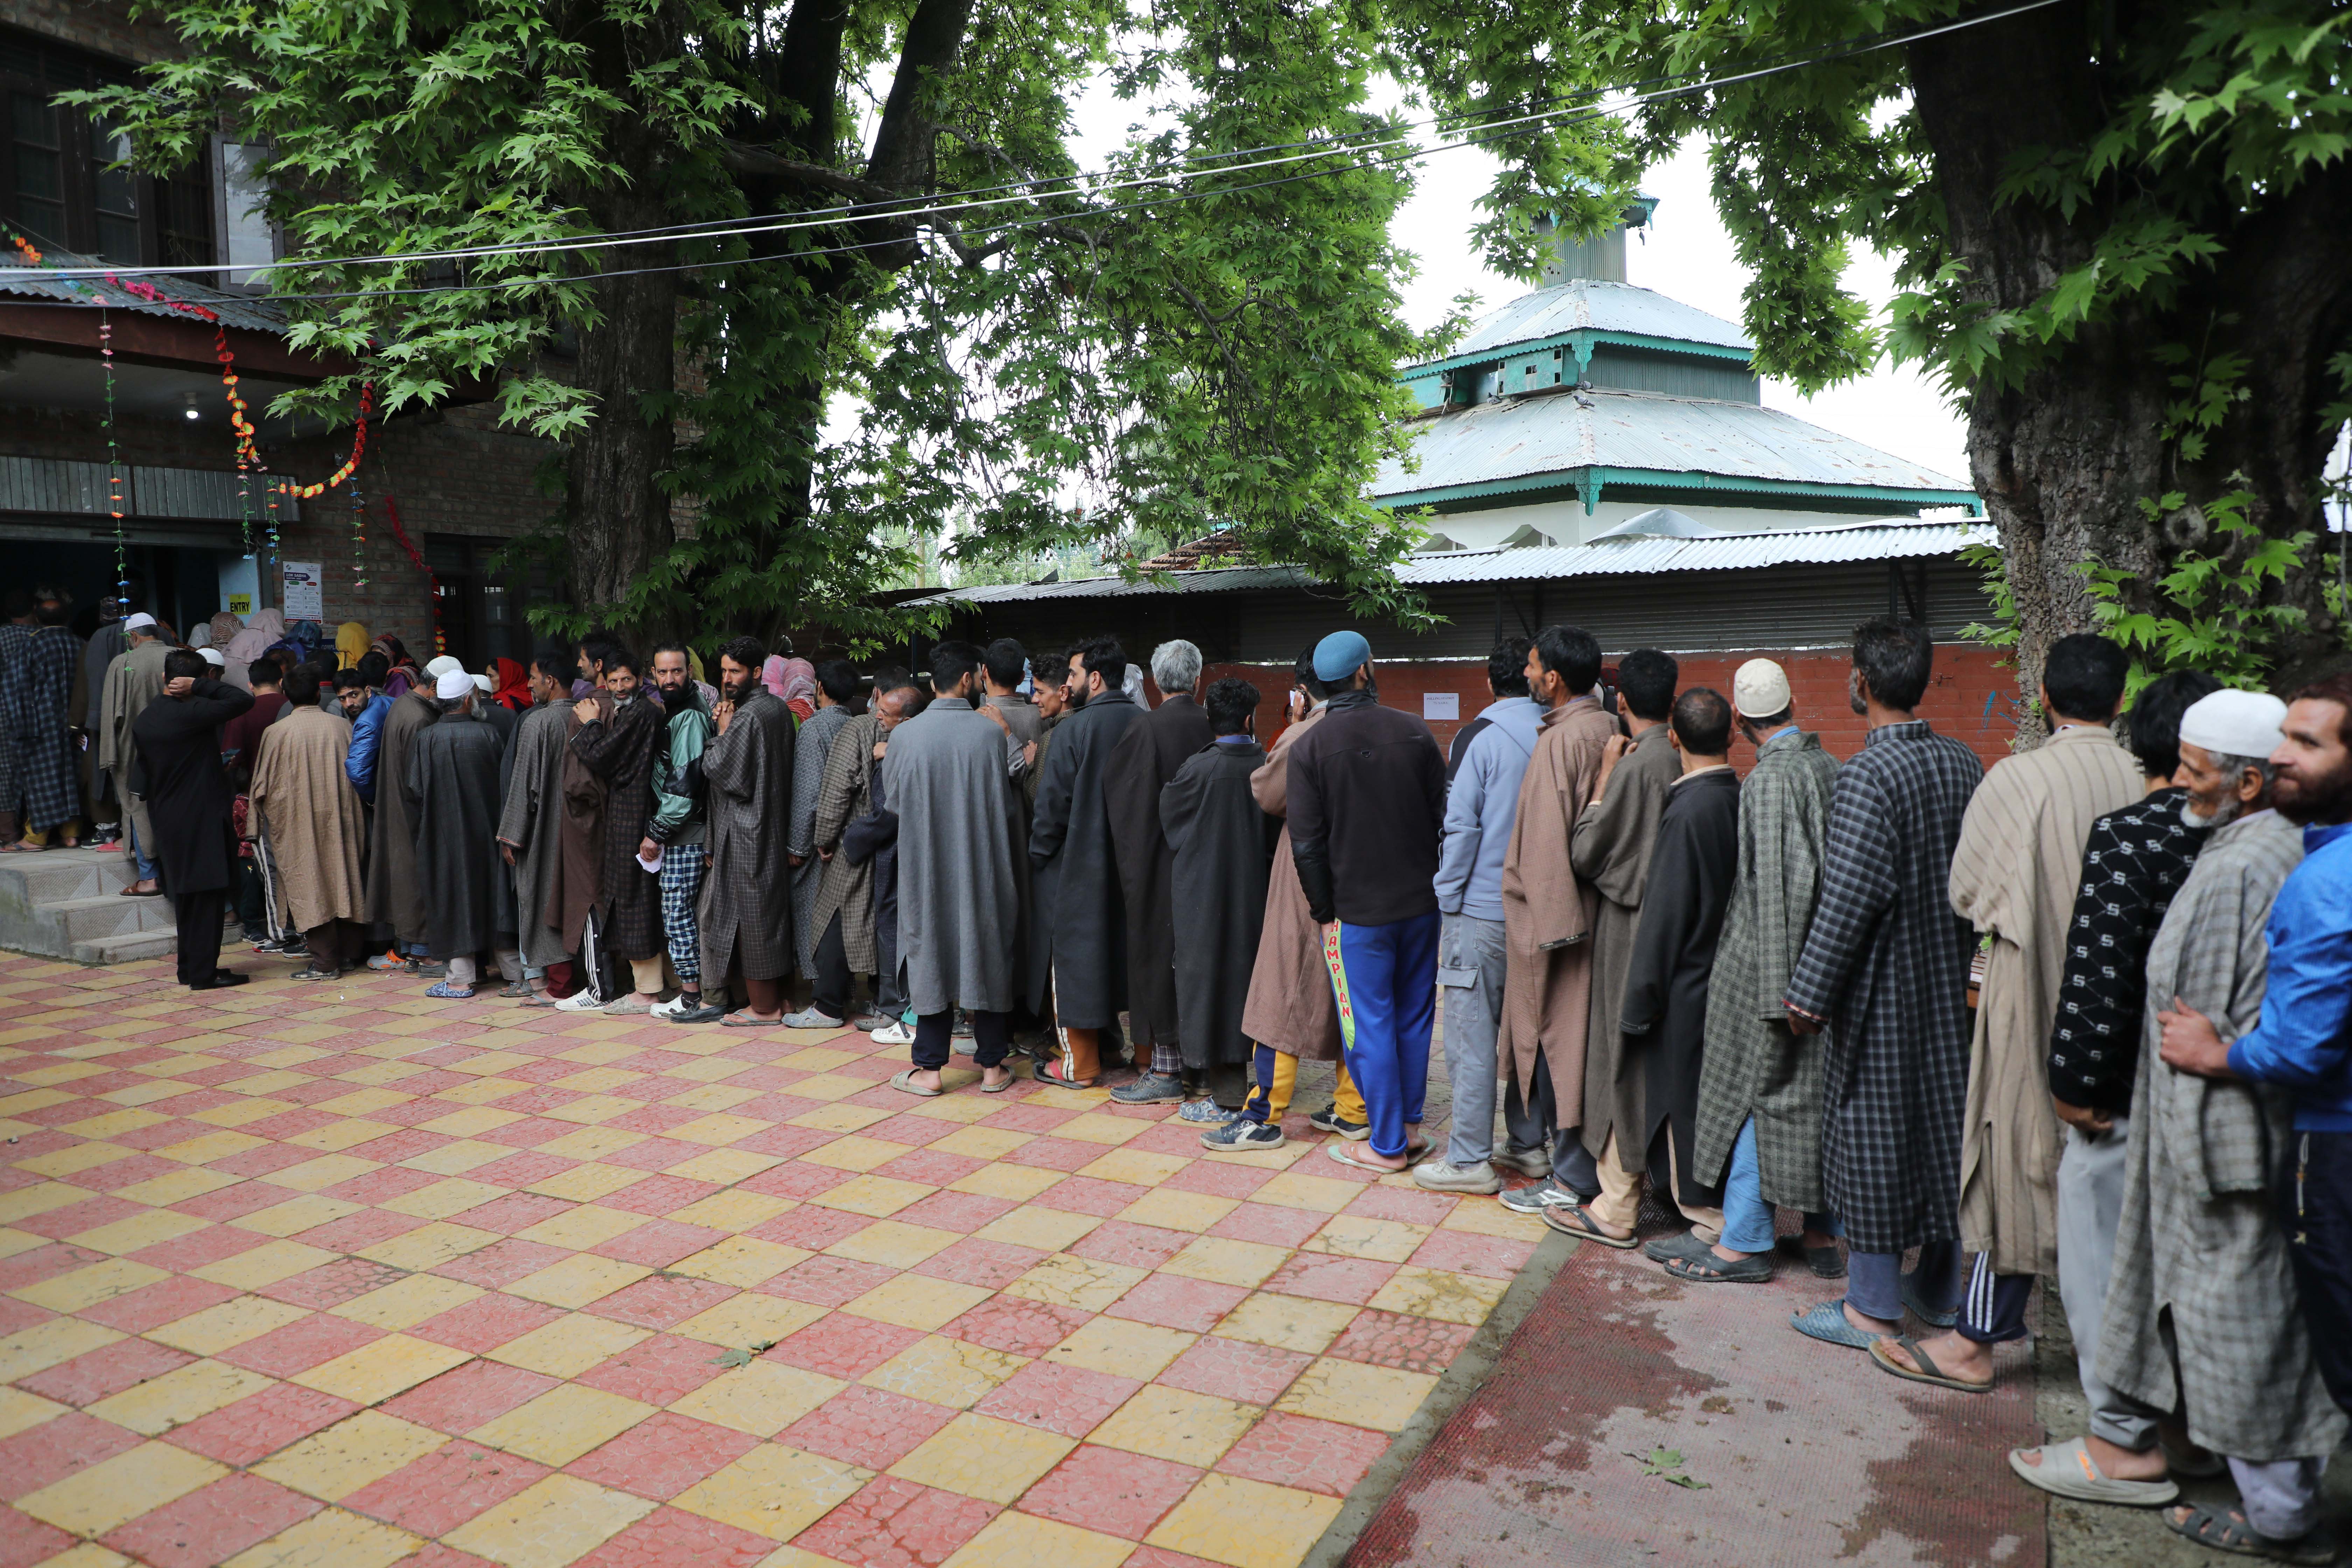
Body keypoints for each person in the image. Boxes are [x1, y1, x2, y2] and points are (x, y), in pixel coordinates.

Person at [2077, 689, 2344, 1558]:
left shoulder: (2245, 866)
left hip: (2221, 1147)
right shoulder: (2249, 844)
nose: (2179, 787)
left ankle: (2280, 1517)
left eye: (2195, 775)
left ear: (2250, 783)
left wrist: (2196, 1153)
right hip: (2216, 1137)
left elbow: (2217, 1027)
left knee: (2244, 1326)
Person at [1870, 634, 2144, 1386]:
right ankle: (2119, 1357)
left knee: (2011, 1164)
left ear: (2045, 698)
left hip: (2032, 995)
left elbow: (1970, 893)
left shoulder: (2018, 777)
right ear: (2120, 700)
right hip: (2130, 1014)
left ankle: (1974, 1342)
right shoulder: (2147, 777)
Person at [2003, 670, 2220, 1493]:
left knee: (2104, 1265)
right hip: (2227, 1095)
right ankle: (2198, 1428)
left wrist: (2073, 1087)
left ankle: (2123, 1439)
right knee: (2204, 1268)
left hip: (2127, 1098)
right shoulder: (2262, 838)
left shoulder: (2135, 835)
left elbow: (2100, 980)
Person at [2154, 675, 2352, 1555]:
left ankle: (2287, 1520)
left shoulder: (2304, 876)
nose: (2284, 755)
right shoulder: (2307, 851)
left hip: (2318, 1144)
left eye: (2308, 744)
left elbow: (2302, 1046)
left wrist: (2216, 1054)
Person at [1784, 618, 1982, 1351]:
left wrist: (1807, 997)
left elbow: (1849, 899)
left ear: (1860, 683)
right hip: (1949, 979)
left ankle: (1869, 1307)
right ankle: (1937, 1290)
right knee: (1942, 1134)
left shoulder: (1869, 773)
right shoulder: (1964, 761)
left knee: (1871, 1138)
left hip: (1885, 991)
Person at [1688, 659, 1843, 1281]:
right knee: (1816, 1097)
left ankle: (1747, 1238)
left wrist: (1782, 997)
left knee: (1762, 1095)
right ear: (1792, 700)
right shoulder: (1826, 764)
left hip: (1778, 975)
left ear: (1741, 719)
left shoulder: (1770, 781)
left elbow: (1778, 892)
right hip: (1825, 966)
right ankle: (1822, 1232)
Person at [1286, 630, 1447, 1172]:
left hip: (1355, 916)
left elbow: (1306, 846)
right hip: (1421, 907)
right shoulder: (1416, 733)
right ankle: (1407, 1128)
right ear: (1365, 671)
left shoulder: (1308, 746)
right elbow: (1439, 821)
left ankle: (1385, 1146)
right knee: (1415, 1018)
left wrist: (1323, 912)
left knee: (1367, 1024)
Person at [1604, 688, 1740, 1266]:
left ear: (1676, 740)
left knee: (1680, 1103)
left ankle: (1705, 1217)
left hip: (1684, 985)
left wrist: (1638, 1002)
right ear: (1732, 735)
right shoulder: (1739, 797)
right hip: (1724, 978)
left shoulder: (1686, 811)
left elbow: (1662, 918)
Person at [1555, 647, 1685, 1230]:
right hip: (1678, 933)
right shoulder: (1685, 759)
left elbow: (1586, 853)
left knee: (1618, 1058)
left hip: (1627, 931)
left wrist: (1603, 780)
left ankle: (1617, 1202)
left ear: (1623, 701)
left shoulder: (1634, 766)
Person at [1496, 626, 1618, 1197]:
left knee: (1553, 1041)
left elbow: (1546, 847)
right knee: (1565, 1043)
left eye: (1533, 667)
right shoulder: (1605, 727)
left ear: (1556, 679)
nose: (1525, 675)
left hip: (1555, 923)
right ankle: (1549, 1155)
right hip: (1588, 913)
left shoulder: (1561, 741)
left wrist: (1551, 935)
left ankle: (1567, 1177)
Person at [1418, 638, 1542, 1191]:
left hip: (1481, 910)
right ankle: (1529, 1145)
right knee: (1531, 1036)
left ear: (1491, 683)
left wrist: (1445, 894)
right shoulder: (1560, 732)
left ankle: (1468, 1160)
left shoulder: (1479, 736)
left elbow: (1459, 827)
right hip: (1544, 913)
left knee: (1471, 1038)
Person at [1232, 650, 1360, 1142]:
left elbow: (1267, 793)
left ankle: (1264, 1114)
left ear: (1304, 690)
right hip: (1369, 879)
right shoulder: (1396, 728)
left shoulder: (1307, 735)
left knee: (1282, 990)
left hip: (1309, 877)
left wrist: (1295, 725)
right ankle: (1354, 1106)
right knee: (1352, 995)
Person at [886, 641, 1022, 1093]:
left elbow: (897, 805)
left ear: (932, 683)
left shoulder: (903, 736)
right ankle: (991, 1068)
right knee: (985, 955)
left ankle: (928, 1071)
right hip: (982, 866)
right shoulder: (989, 734)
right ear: (968, 680)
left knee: (931, 958)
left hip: (926, 869)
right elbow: (1007, 803)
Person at [1161, 677, 1279, 1139]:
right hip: (1257, 900)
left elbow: (1170, 821)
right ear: (1250, 719)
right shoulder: (1268, 767)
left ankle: (1226, 1095)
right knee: (1251, 985)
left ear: (1211, 719)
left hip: (1202, 900)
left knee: (1207, 987)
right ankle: (1256, 1085)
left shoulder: (1196, 770)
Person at [1105, 639, 1217, 1105]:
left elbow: (1128, 810)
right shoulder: (1217, 725)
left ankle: (1167, 1070)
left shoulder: (1144, 730)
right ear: (1197, 681)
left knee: (1157, 962)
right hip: (1212, 869)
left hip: (1157, 867)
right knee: (1206, 964)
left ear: (1153, 681)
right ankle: (1209, 1069)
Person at [1029, 638, 1143, 1086]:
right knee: (1130, 960)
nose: (1068, 683)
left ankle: (1082, 1064)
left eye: (1073, 675)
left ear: (1095, 679)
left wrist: (1039, 856)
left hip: (1079, 871)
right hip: (1138, 870)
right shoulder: (1144, 723)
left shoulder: (1071, 732)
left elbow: (1050, 810)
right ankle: (1142, 1056)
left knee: (1077, 963)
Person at [130, 650, 255, 989]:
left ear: (163, 678)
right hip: (200, 817)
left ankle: (190, 967)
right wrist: (199, 686)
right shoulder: (194, 711)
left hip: (167, 817)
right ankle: (203, 973)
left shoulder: (147, 717)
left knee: (187, 897)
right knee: (208, 896)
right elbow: (242, 700)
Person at [691, 636, 797, 1026]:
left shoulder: (749, 715)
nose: (727, 679)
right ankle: (779, 1002)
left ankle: (764, 1008)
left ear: (756, 672)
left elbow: (728, 773)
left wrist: (720, 732)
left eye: (735, 671)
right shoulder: (777, 708)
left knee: (755, 919)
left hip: (748, 830)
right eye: (723, 671)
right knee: (766, 916)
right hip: (767, 825)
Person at [559, 639, 667, 1012]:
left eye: (626, 681)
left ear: (640, 679)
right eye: (615, 681)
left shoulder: (641, 714)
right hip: (630, 815)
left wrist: (589, 724)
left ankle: (646, 991)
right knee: (633, 899)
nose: (620, 688)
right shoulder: (635, 712)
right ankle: (646, 986)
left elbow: (600, 758)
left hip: (636, 816)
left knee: (636, 901)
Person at [251, 662, 370, 979]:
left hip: (298, 825)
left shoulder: (276, 734)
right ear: (320, 693)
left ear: (287, 696)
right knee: (345, 882)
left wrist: (253, 827)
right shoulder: (343, 727)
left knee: (311, 887)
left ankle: (325, 964)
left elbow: (259, 786)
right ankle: (347, 956)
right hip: (342, 822)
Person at [405, 669, 518, 999]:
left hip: (444, 839)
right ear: (470, 700)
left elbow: (415, 790)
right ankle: (516, 974)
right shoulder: (490, 735)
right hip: (490, 835)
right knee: (496, 898)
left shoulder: (426, 739)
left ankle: (460, 980)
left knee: (454, 899)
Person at [807, 674, 902, 1030]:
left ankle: (828, 1005)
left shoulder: (859, 728)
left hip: (860, 839)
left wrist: (827, 838)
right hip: (903, 847)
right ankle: (883, 1002)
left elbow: (836, 790)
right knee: (888, 923)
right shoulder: (914, 730)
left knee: (837, 915)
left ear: (877, 695)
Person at [496, 645, 582, 1002]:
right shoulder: (585, 715)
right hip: (581, 829)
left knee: (544, 899)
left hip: (545, 831)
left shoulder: (538, 722)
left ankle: (559, 986)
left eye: (533, 677)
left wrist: (511, 837)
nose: (530, 684)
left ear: (551, 681)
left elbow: (523, 788)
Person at [644, 643, 715, 1021]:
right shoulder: (677, 708)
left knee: (678, 912)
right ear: (653, 674)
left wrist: (656, 832)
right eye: (663, 672)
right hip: (684, 830)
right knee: (683, 912)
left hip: (685, 832)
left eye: (676, 671)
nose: (669, 679)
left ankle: (692, 995)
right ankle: (694, 991)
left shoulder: (688, 714)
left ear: (689, 671)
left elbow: (685, 785)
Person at [360, 658, 443, 973]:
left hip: (397, 808)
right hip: (410, 812)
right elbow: (419, 779)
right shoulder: (420, 717)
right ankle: (424, 953)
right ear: (434, 687)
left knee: (407, 881)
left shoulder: (402, 705)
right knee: (416, 882)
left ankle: (413, 950)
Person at [788, 659, 860, 999]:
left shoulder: (814, 729)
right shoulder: (861, 725)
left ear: (820, 689)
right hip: (855, 838)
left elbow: (808, 795)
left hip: (821, 842)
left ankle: (823, 994)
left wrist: (798, 847)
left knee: (813, 915)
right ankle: (843, 990)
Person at [220, 656, 296, 952]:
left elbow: (230, 758)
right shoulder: (291, 707)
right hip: (292, 797)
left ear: (250, 685)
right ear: (281, 681)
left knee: (253, 860)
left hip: (254, 798)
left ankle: (256, 926)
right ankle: (291, 924)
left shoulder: (242, 713)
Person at [97, 611, 174, 895]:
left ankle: (149, 876)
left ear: (133, 637)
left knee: (137, 805)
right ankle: (174, 873)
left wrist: (108, 756)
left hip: (136, 748)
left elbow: (111, 717)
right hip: (180, 746)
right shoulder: (180, 657)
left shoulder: (124, 663)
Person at [2, 598, 83, 850]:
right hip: (76, 725)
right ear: (68, 618)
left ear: (37, 617)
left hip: (40, 726)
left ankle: (36, 838)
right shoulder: (80, 643)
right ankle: (71, 835)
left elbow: (15, 690)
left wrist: (20, 728)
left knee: (43, 780)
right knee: (73, 778)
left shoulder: (31, 644)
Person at [77, 600, 123, 846]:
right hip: (137, 718)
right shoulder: (141, 637)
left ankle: (107, 828)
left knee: (100, 772)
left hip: (101, 720)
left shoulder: (95, 643)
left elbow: (84, 689)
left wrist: (75, 724)